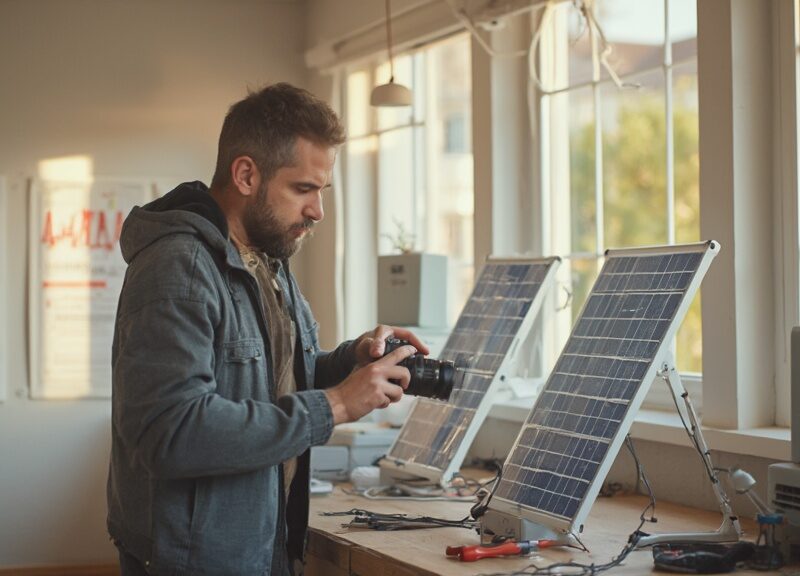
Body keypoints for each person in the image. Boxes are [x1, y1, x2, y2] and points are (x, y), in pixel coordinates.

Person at [107, 83, 429, 576]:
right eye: (303, 189)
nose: (318, 211)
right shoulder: (181, 266)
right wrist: (337, 404)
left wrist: (350, 363)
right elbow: (170, 432)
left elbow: (268, 379)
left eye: (322, 191)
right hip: (196, 562)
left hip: (262, 545)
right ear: (245, 174)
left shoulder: (266, 261)